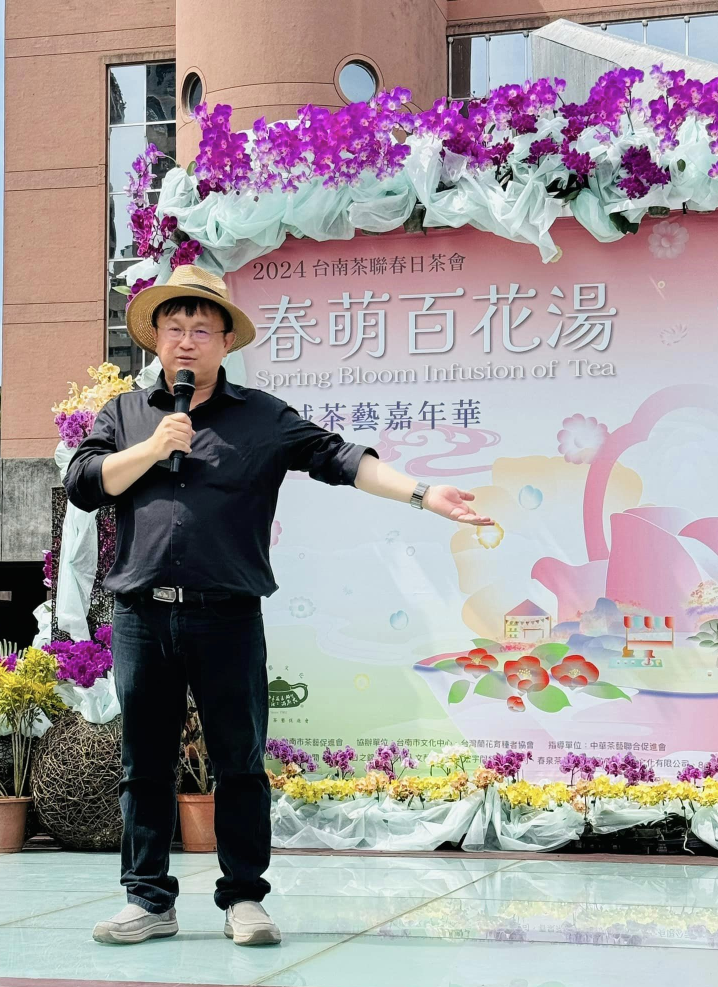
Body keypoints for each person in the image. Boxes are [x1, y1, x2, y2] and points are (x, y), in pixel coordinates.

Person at [64, 265, 493, 948]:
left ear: (226, 341)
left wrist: (422, 493)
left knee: (239, 762)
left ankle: (243, 898)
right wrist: (152, 447)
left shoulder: (262, 417)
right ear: (156, 338)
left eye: (200, 328)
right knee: (143, 765)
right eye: (174, 328)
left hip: (227, 617)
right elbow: (85, 483)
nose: (185, 340)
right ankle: (147, 899)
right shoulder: (125, 415)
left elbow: (338, 457)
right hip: (142, 615)